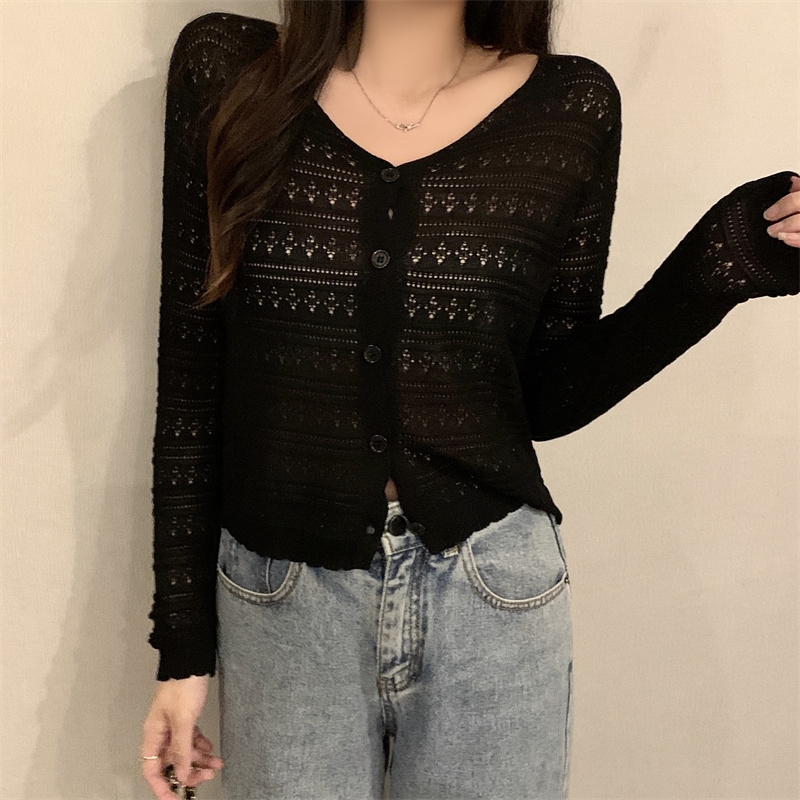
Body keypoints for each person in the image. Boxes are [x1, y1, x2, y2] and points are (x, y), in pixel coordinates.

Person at [139, 2, 799, 798]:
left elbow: (546, 396)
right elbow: (192, 377)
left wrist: (716, 267)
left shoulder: (570, 106)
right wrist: (183, 649)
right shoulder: (228, 70)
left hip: (491, 593)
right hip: (285, 603)